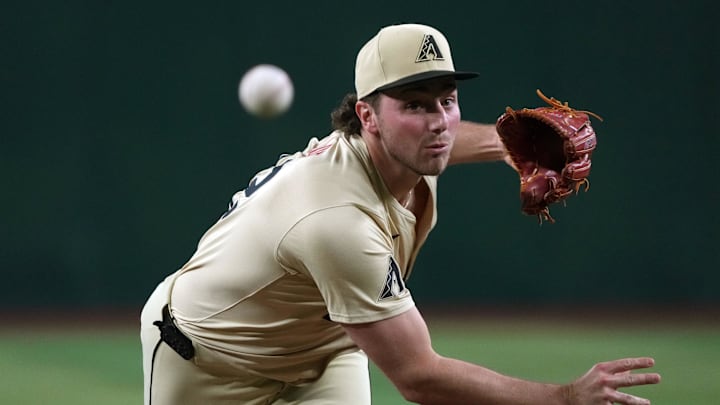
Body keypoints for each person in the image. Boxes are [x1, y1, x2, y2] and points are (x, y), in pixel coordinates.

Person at [141, 23, 660, 404]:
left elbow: (446, 142)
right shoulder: (337, 219)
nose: (438, 121)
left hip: (323, 353)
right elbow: (419, 376)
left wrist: (505, 147)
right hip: (209, 363)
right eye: (414, 104)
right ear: (367, 115)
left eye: (447, 100)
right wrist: (566, 397)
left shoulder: (405, 149)